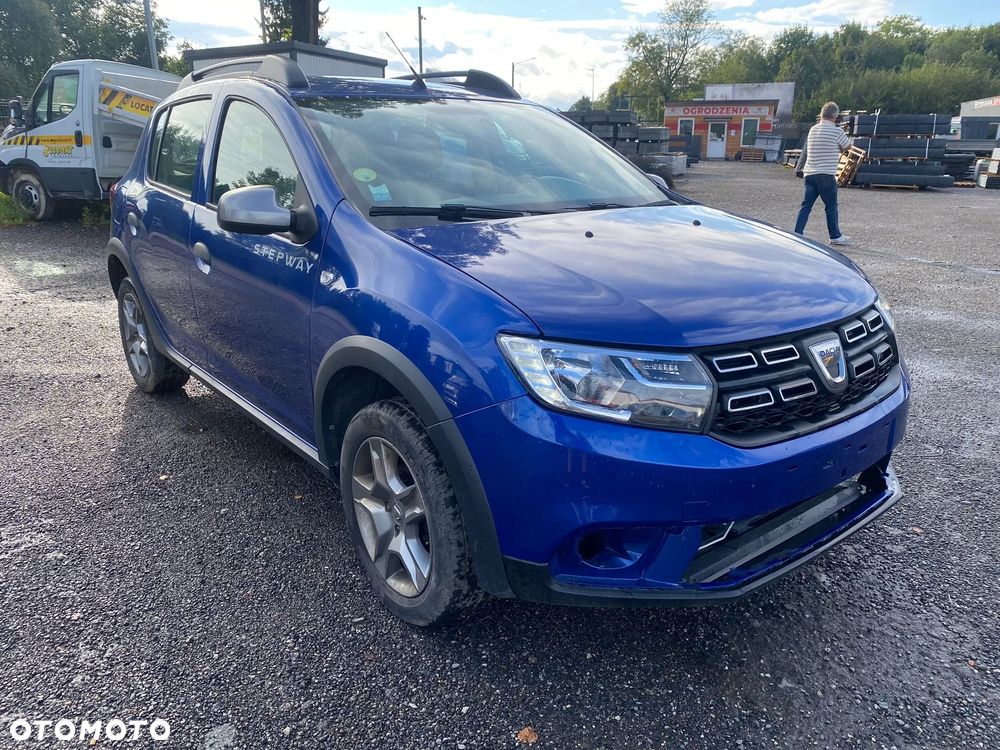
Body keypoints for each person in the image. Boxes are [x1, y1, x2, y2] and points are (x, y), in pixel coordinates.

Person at [794, 101, 851, 246]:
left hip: (810, 174)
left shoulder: (813, 129)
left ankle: (797, 233)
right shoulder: (837, 131)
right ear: (835, 116)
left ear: (821, 114)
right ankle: (835, 236)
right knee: (831, 206)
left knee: (806, 205)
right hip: (826, 174)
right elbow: (848, 146)